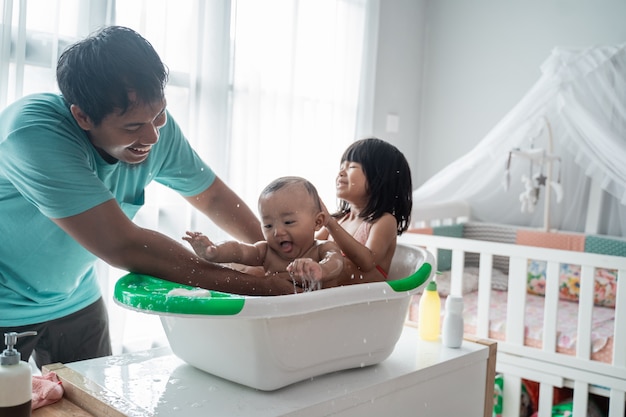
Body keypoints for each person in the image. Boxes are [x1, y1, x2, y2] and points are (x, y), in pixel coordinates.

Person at [0, 26, 296, 368]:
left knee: (94, 400)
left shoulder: (156, 129)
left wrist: (285, 255)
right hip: (5, 302)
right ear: (81, 116)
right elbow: (122, 245)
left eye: (159, 115)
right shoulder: (34, 133)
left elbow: (213, 198)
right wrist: (261, 288)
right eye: (132, 127)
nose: (153, 135)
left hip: (76, 297)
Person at [184, 176, 344, 290]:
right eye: (268, 225)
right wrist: (215, 251)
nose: (277, 232)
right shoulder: (266, 251)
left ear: (317, 222)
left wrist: (321, 270)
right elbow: (240, 250)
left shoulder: (322, 248)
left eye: (288, 222)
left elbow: (336, 261)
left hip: (319, 314)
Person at [316, 138, 413, 285]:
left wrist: (330, 223)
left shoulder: (384, 221)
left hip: (364, 299)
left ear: (379, 179)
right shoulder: (342, 219)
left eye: (352, 167)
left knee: (341, 265)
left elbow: (367, 262)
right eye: (342, 166)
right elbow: (311, 247)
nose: (341, 172)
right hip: (332, 293)